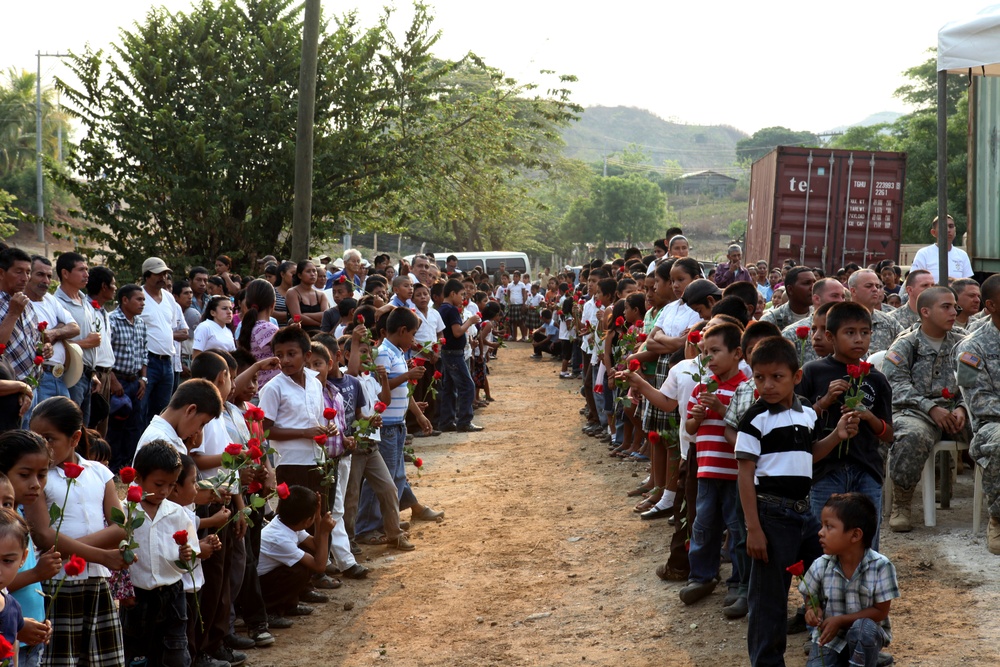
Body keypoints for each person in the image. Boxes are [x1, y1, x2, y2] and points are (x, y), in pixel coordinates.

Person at [735, 337, 858, 667]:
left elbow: (810, 455)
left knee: (821, 585)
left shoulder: (806, 412)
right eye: (759, 377)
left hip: (806, 515)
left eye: (777, 377)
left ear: (796, 376)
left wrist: (837, 435)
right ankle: (767, 662)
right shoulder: (754, 419)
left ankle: (834, 654)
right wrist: (754, 529)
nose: (767, 385)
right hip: (770, 516)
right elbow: (745, 476)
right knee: (769, 599)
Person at [27, 397, 129, 667]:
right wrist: (101, 556)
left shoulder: (100, 473)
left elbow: (120, 526)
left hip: (95, 581)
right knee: (60, 660)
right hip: (57, 581)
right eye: (35, 437)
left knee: (100, 658)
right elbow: (43, 536)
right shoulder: (37, 478)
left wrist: (77, 551)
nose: (42, 445)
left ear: (74, 438)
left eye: (49, 438)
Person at [883, 286, 967, 533]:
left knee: (991, 432)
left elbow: (976, 382)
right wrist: (930, 408)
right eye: (947, 307)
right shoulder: (906, 345)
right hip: (916, 412)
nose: (954, 312)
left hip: (956, 413)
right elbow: (894, 385)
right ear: (925, 312)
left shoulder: (964, 342)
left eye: (955, 307)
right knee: (912, 436)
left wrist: (962, 407)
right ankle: (902, 502)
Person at [678, 323, 749, 607]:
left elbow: (746, 426)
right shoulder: (701, 387)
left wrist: (721, 409)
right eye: (705, 352)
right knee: (703, 525)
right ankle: (702, 576)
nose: (709, 358)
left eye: (716, 351)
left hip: (735, 472)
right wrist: (697, 415)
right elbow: (692, 428)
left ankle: (740, 582)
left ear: (737, 354)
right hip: (707, 469)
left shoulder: (745, 388)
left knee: (738, 528)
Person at [120, 441, 200, 667]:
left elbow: (192, 553)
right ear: (137, 478)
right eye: (158, 484)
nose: (164, 491)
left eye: (171, 485)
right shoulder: (124, 512)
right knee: (137, 653)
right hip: (136, 597)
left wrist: (187, 555)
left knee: (174, 652)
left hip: (173, 595)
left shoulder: (177, 513)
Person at [799, 493, 900, 667]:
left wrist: (840, 620)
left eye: (829, 526)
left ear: (855, 535)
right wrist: (812, 610)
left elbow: (880, 612)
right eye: (822, 525)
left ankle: (868, 656)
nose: (820, 532)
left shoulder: (881, 566)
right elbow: (811, 596)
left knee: (863, 630)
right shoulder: (820, 565)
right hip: (830, 638)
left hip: (866, 635)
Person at [954, 273, 1000, 553]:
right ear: (992, 306)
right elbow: (979, 401)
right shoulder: (973, 347)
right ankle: (998, 518)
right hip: (990, 425)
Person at [257, 485, 334, 626]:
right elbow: (320, 566)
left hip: (268, 577)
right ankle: (268, 611)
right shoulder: (280, 537)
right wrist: (324, 532)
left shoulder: (287, 523)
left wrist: (317, 518)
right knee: (299, 570)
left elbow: (316, 546)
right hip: (259, 584)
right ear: (305, 521)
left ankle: (288, 605)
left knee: (303, 561)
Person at [54, 253, 102, 425]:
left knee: (84, 430)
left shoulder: (85, 300)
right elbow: (54, 343)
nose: (86, 274)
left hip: (87, 375)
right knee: (70, 426)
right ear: (65, 273)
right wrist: (85, 344)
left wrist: (93, 373)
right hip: (70, 374)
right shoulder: (57, 303)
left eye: (87, 270)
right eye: (81, 270)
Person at [24, 257, 80, 405]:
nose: (46, 281)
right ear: (28, 275)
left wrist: (53, 333)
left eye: (49, 276)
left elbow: (74, 327)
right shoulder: (22, 302)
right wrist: (60, 327)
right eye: (40, 274)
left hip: (60, 377)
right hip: (38, 376)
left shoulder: (50, 299)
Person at [139, 257, 187, 425]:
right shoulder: (138, 296)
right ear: (147, 276)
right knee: (141, 410)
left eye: (165, 274)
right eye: (158, 274)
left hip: (167, 362)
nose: (163, 277)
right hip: (147, 362)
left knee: (162, 413)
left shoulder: (169, 298)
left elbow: (171, 327)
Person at [107, 285, 148, 472]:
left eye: (143, 300)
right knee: (116, 426)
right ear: (125, 300)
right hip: (118, 382)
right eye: (138, 299)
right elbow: (106, 354)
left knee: (134, 426)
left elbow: (144, 353)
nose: (142, 303)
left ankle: (128, 466)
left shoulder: (140, 323)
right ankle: (114, 467)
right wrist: (114, 381)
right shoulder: (112, 320)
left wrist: (143, 379)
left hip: (135, 381)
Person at [135, 379, 224, 458]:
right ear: (190, 410)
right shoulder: (160, 443)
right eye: (202, 424)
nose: (199, 431)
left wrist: (188, 446)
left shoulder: (169, 437)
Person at [438, 279, 482, 432]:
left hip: (448, 352)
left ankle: (447, 421)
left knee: (449, 387)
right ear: (452, 293)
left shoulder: (442, 309)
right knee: (467, 385)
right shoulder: (451, 310)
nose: (463, 298)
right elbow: (457, 332)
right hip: (454, 354)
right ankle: (464, 421)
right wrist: (469, 321)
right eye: (462, 294)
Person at [780, 278, 846, 365]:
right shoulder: (792, 334)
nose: (840, 301)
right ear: (816, 299)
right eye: (835, 296)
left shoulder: (849, 331)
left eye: (843, 297)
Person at [846, 269, 902, 355]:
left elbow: (905, 348)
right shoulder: (841, 320)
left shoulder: (889, 322)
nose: (875, 289)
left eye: (878, 286)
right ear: (853, 291)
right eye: (869, 286)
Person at [909, 215, 974, 281]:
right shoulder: (923, 254)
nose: (948, 230)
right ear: (933, 232)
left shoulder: (962, 255)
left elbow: (967, 283)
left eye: (951, 226)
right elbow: (915, 281)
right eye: (943, 226)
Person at [285, 261, 329, 335]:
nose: (312, 274)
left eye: (314, 271)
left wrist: (304, 315)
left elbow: (326, 315)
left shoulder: (321, 295)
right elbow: (297, 318)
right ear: (299, 275)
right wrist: (318, 323)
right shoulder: (292, 292)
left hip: (319, 336)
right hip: (299, 335)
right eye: (308, 271)